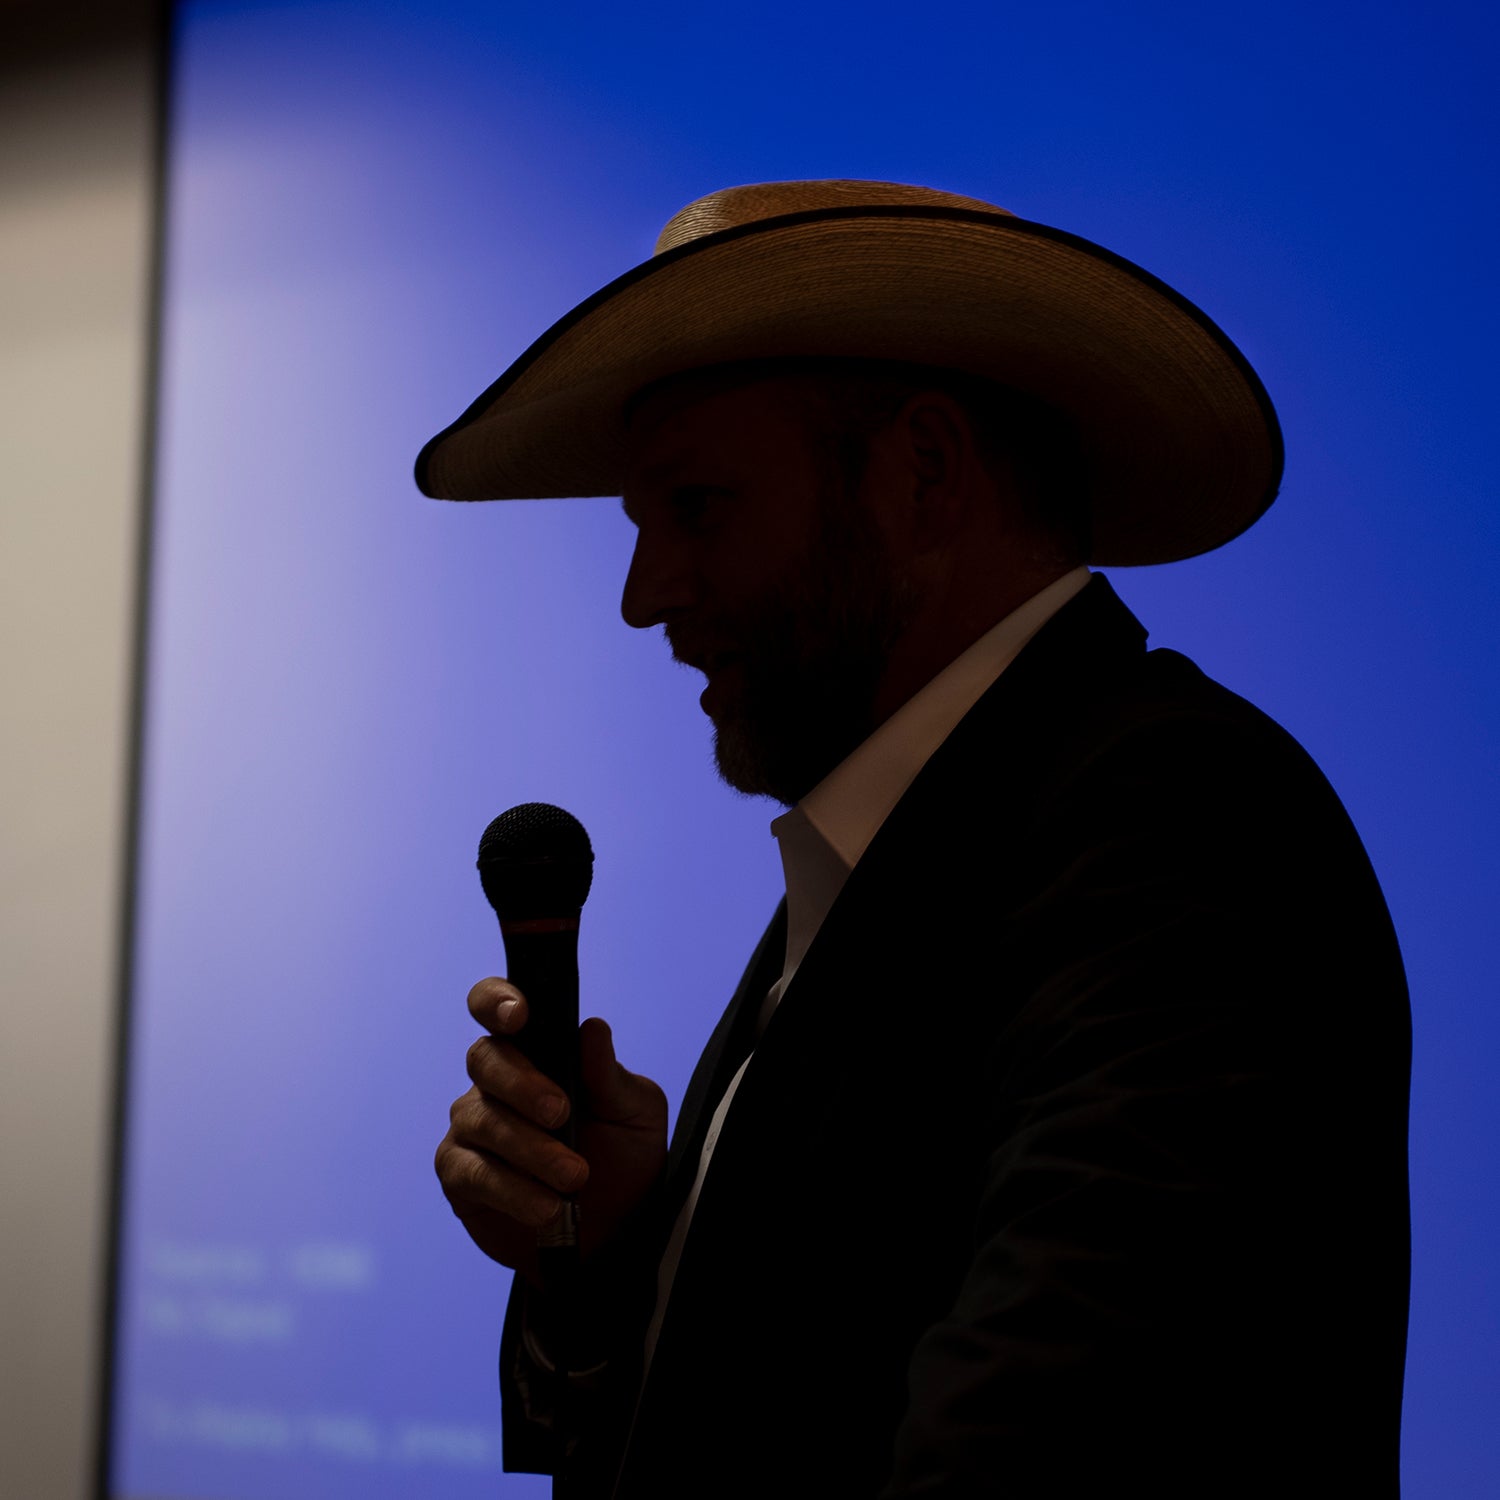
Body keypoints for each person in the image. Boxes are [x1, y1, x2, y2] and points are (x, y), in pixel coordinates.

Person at [423, 180, 1410, 1498]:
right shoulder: (924, 844)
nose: (643, 594)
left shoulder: (1177, 820)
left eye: (699, 506)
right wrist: (608, 1254)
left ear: (926, 474)